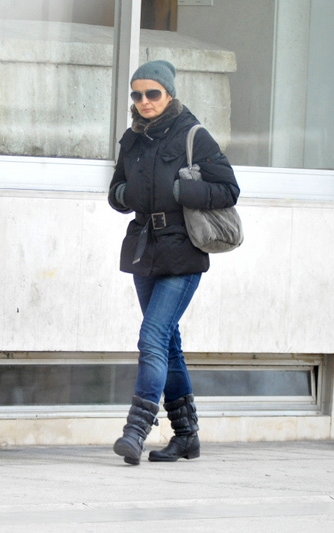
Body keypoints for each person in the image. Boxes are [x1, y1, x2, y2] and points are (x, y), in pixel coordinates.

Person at [108, 60, 240, 465]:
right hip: (144, 250)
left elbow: (229, 189)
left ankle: (136, 430)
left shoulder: (193, 134)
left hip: (182, 252)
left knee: (152, 337)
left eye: (153, 93)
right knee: (168, 344)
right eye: (137, 94)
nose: (144, 101)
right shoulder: (132, 139)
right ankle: (186, 437)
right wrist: (128, 196)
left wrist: (187, 191)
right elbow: (115, 192)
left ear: (169, 94)